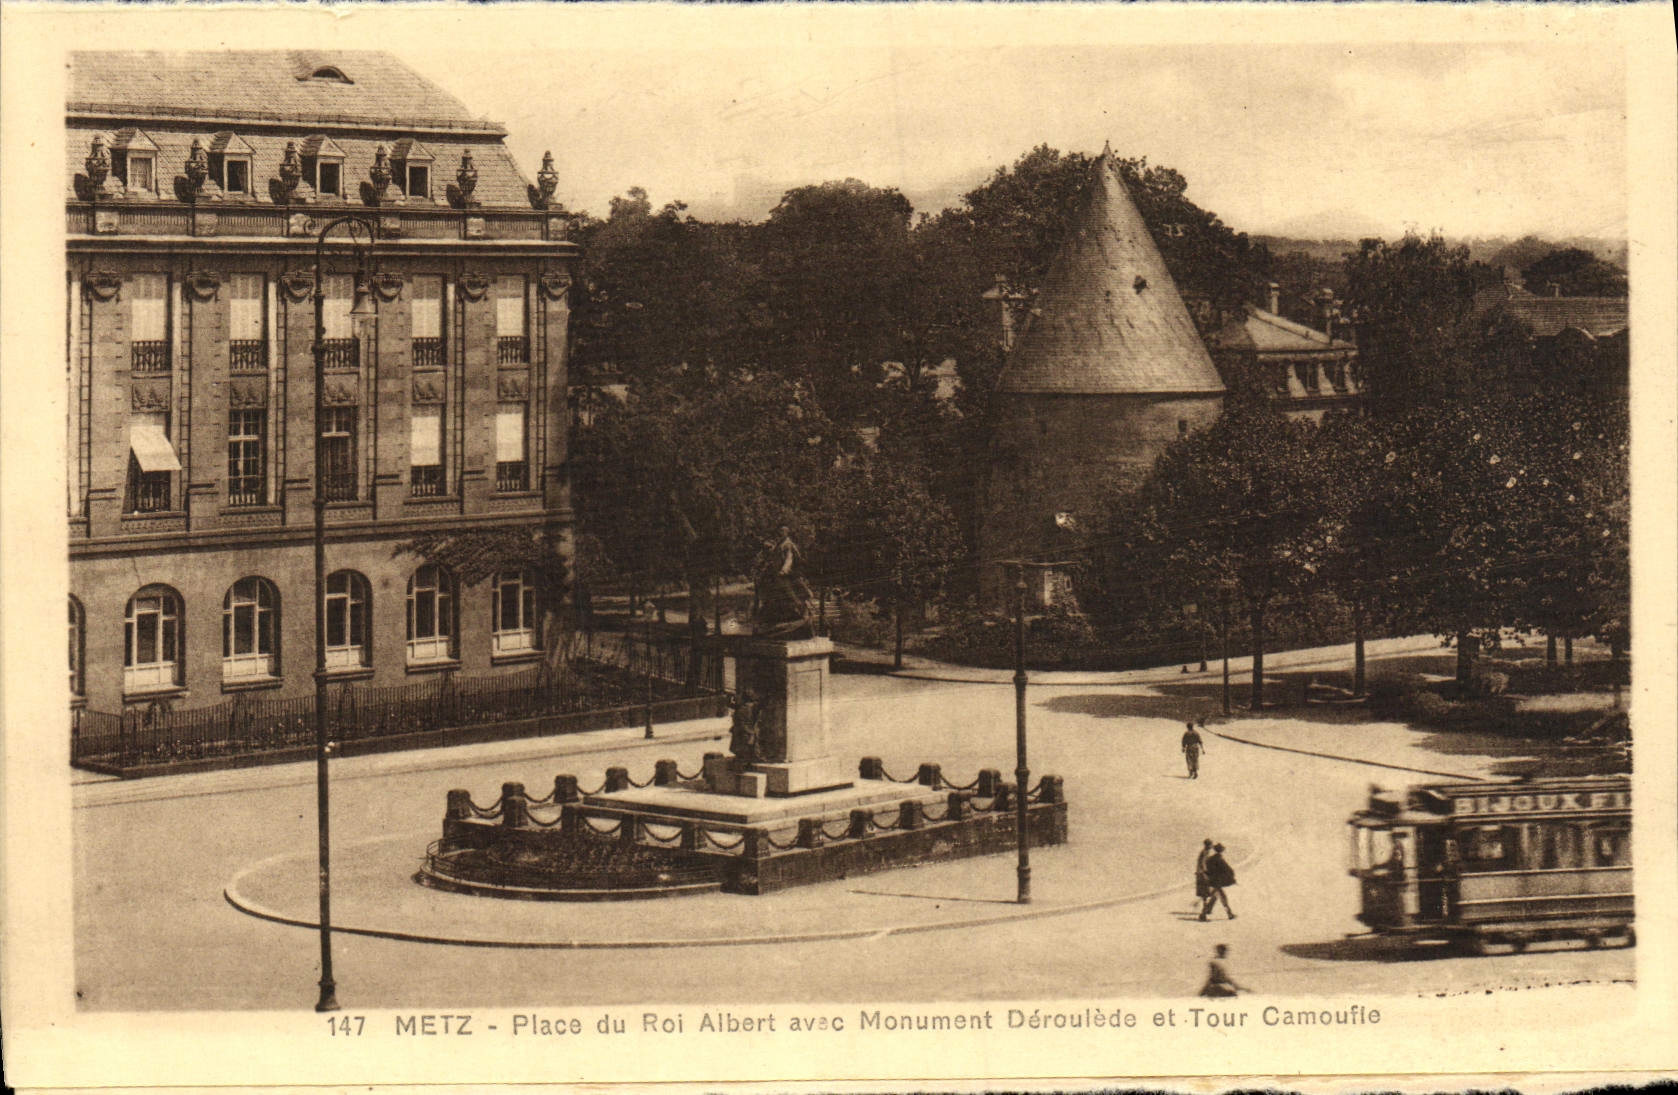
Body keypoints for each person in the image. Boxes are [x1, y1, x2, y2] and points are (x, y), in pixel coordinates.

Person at [1200, 842, 1236, 920]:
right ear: (1221, 851)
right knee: (1223, 898)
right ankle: (1230, 914)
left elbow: (1206, 869)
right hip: (1216, 883)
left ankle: (1205, 912)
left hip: (1210, 882)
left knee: (1214, 897)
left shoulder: (1209, 859)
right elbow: (1228, 870)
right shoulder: (1219, 859)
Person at [1194, 838, 1214, 912]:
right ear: (1208, 845)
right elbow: (1202, 863)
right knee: (1207, 892)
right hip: (1202, 874)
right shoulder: (1205, 852)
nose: (1212, 846)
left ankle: (1206, 908)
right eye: (1211, 844)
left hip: (1200, 873)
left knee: (1205, 893)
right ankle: (1205, 909)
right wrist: (1206, 872)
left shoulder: (1205, 852)